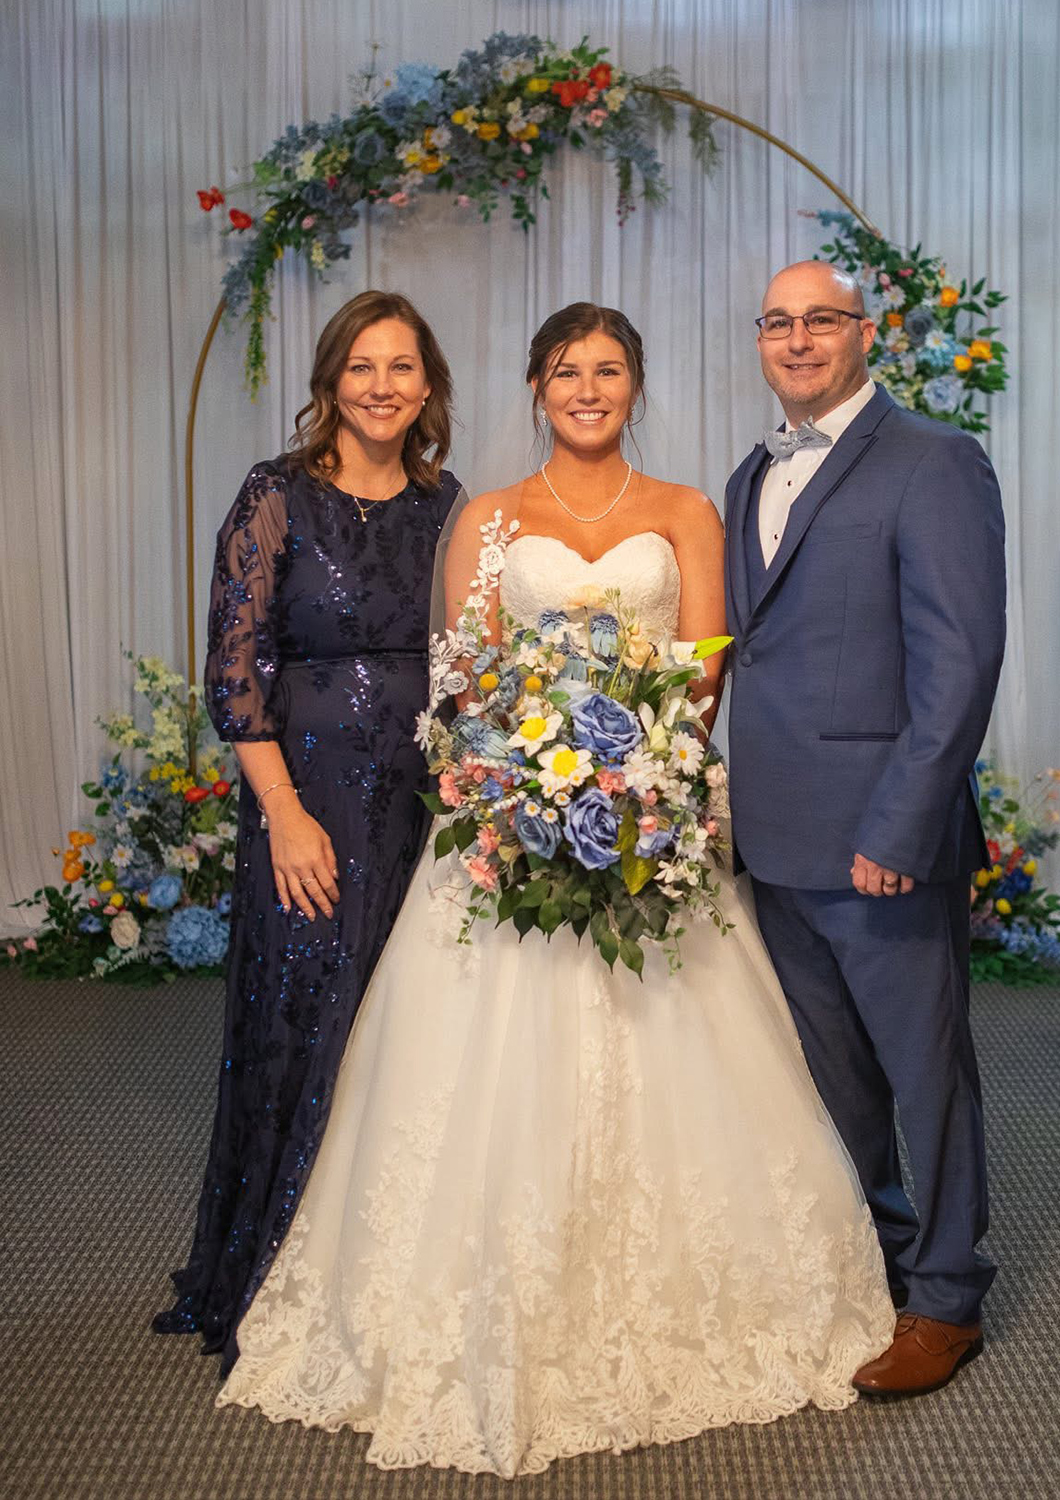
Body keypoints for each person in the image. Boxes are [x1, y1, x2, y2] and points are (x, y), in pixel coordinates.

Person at [214, 303, 894, 1478]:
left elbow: (702, 677)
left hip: (646, 820)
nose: (588, 389)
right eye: (567, 370)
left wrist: (638, 784)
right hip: (511, 822)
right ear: (535, 386)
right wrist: (528, 783)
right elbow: (468, 678)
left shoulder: (686, 511)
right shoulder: (484, 517)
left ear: (635, 386)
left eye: (609, 370)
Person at [152, 291, 464, 1373]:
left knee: (402, 1030)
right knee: (304, 1018)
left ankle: (378, 1281)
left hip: (422, 806)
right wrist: (284, 815)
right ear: (331, 380)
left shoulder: (447, 504)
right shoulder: (276, 495)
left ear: (428, 387)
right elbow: (233, 671)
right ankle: (278, 1276)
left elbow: (469, 656)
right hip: (310, 803)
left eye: (402, 367)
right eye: (361, 366)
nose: (382, 386)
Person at [724, 261, 1006, 1398]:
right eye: (778, 322)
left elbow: (960, 665)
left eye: (821, 320)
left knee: (924, 1074)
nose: (798, 340)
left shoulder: (935, 461)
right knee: (832, 1078)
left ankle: (947, 1296)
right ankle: (877, 1264)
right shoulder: (751, 471)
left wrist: (901, 828)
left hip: (880, 840)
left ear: (864, 334)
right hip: (775, 834)